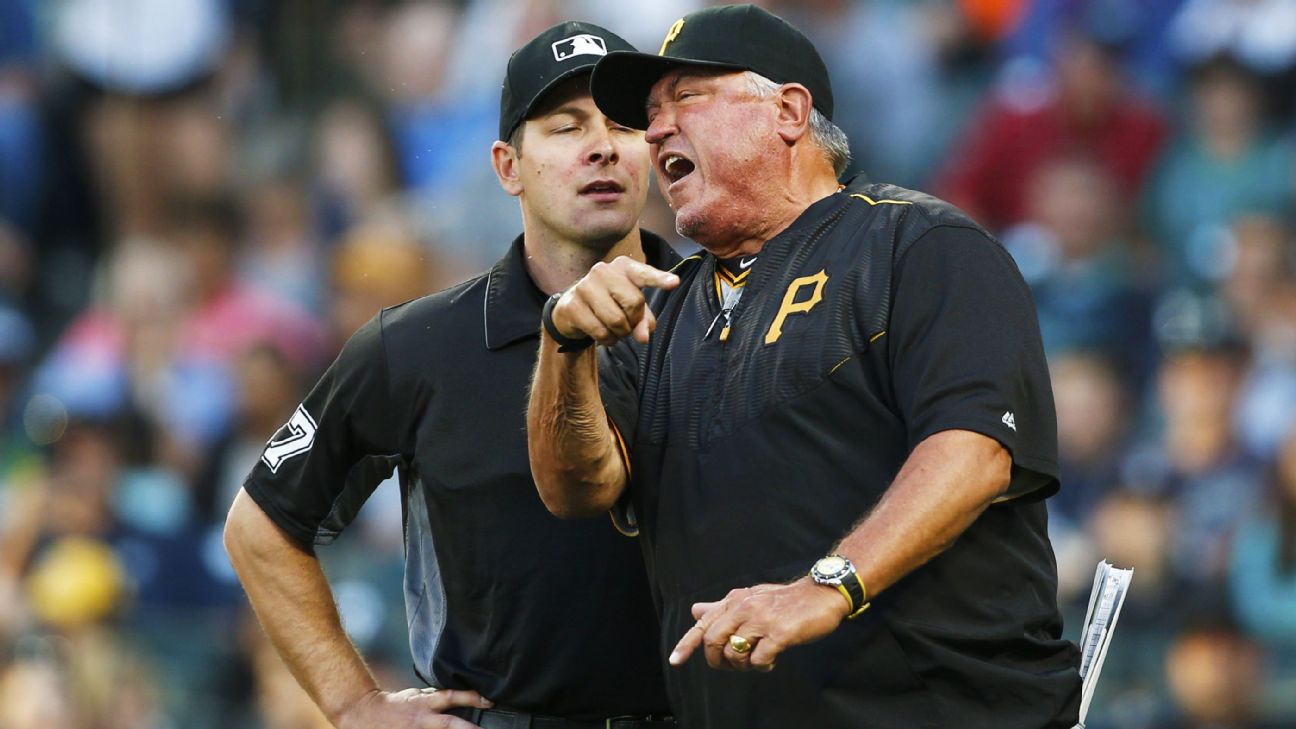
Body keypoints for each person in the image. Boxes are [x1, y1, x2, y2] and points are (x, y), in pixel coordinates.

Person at [526, 5, 1081, 728]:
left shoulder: (917, 246)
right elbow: (577, 489)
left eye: (686, 98)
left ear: (788, 111)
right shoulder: (655, 312)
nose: (656, 130)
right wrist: (562, 346)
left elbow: (974, 452)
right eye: (650, 116)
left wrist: (828, 587)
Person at [224, 22, 677, 729]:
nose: (601, 145)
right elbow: (261, 525)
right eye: (565, 126)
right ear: (507, 166)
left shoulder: (725, 312)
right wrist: (354, 702)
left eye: (623, 123)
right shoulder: (415, 346)